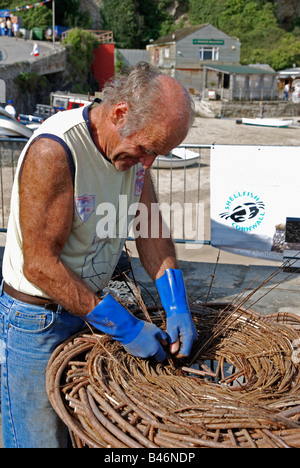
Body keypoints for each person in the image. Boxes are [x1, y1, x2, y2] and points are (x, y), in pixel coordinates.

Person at [0, 62, 198, 448]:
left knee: (78, 433)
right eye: (147, 149)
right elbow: (39, 265)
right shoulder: (55, 152)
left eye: (158, 153)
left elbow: (151, 230)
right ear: (120, 113)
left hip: (84, 311)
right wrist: (123, 325)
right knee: (38, 440)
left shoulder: (132, 152)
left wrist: (177, 304)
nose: (148, 163)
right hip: (35, 321)